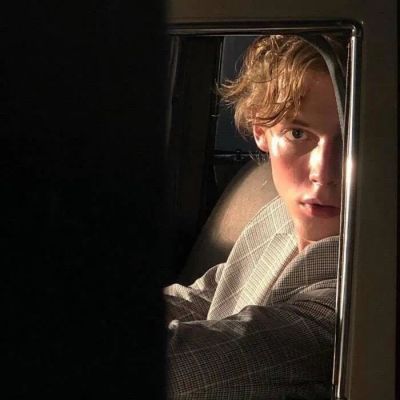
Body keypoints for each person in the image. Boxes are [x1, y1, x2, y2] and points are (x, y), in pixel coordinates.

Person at [164, 34, 346, 399]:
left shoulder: (362, 285)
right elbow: (208, 293)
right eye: (298, 133)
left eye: (353, 138)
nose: (323, 173)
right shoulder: (280, 215)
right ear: (261, 131)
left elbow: (183, 368)